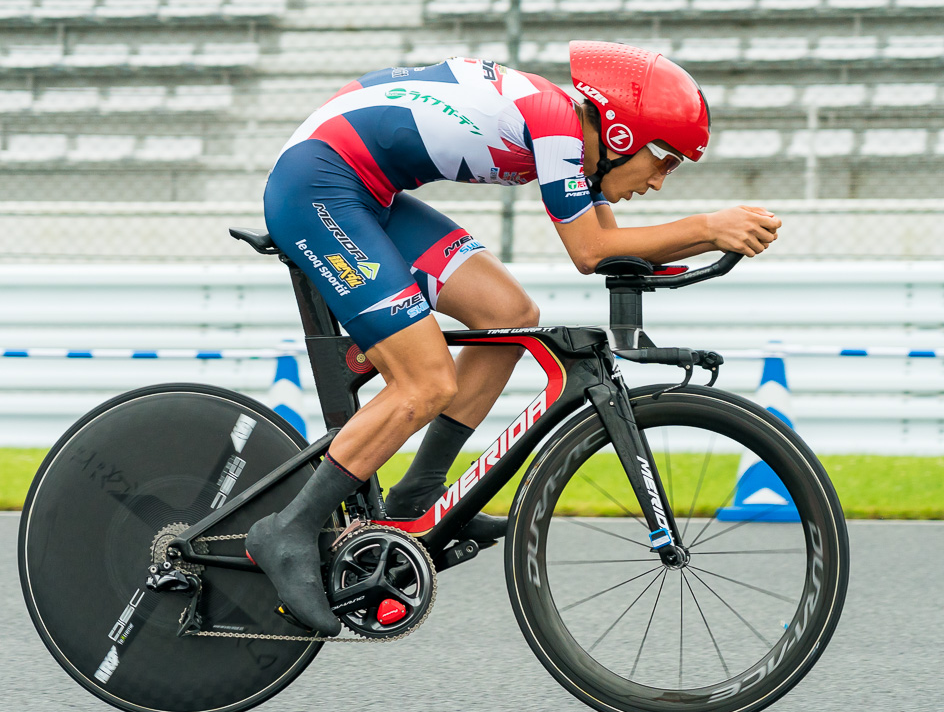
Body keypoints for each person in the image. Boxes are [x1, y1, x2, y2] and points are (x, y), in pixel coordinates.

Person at [247, 40, 782, 635]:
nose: (660, 180)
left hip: (363, 190)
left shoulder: (573, 138)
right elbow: (592, 252)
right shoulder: (559, 129)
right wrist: (710, 227)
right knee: (424, 381)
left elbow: (612, 246)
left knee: (508, 314)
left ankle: (415, 498)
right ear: (623, 135)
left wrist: (704, 243)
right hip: (319, 189)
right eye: (664, 158)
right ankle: (288, 530)